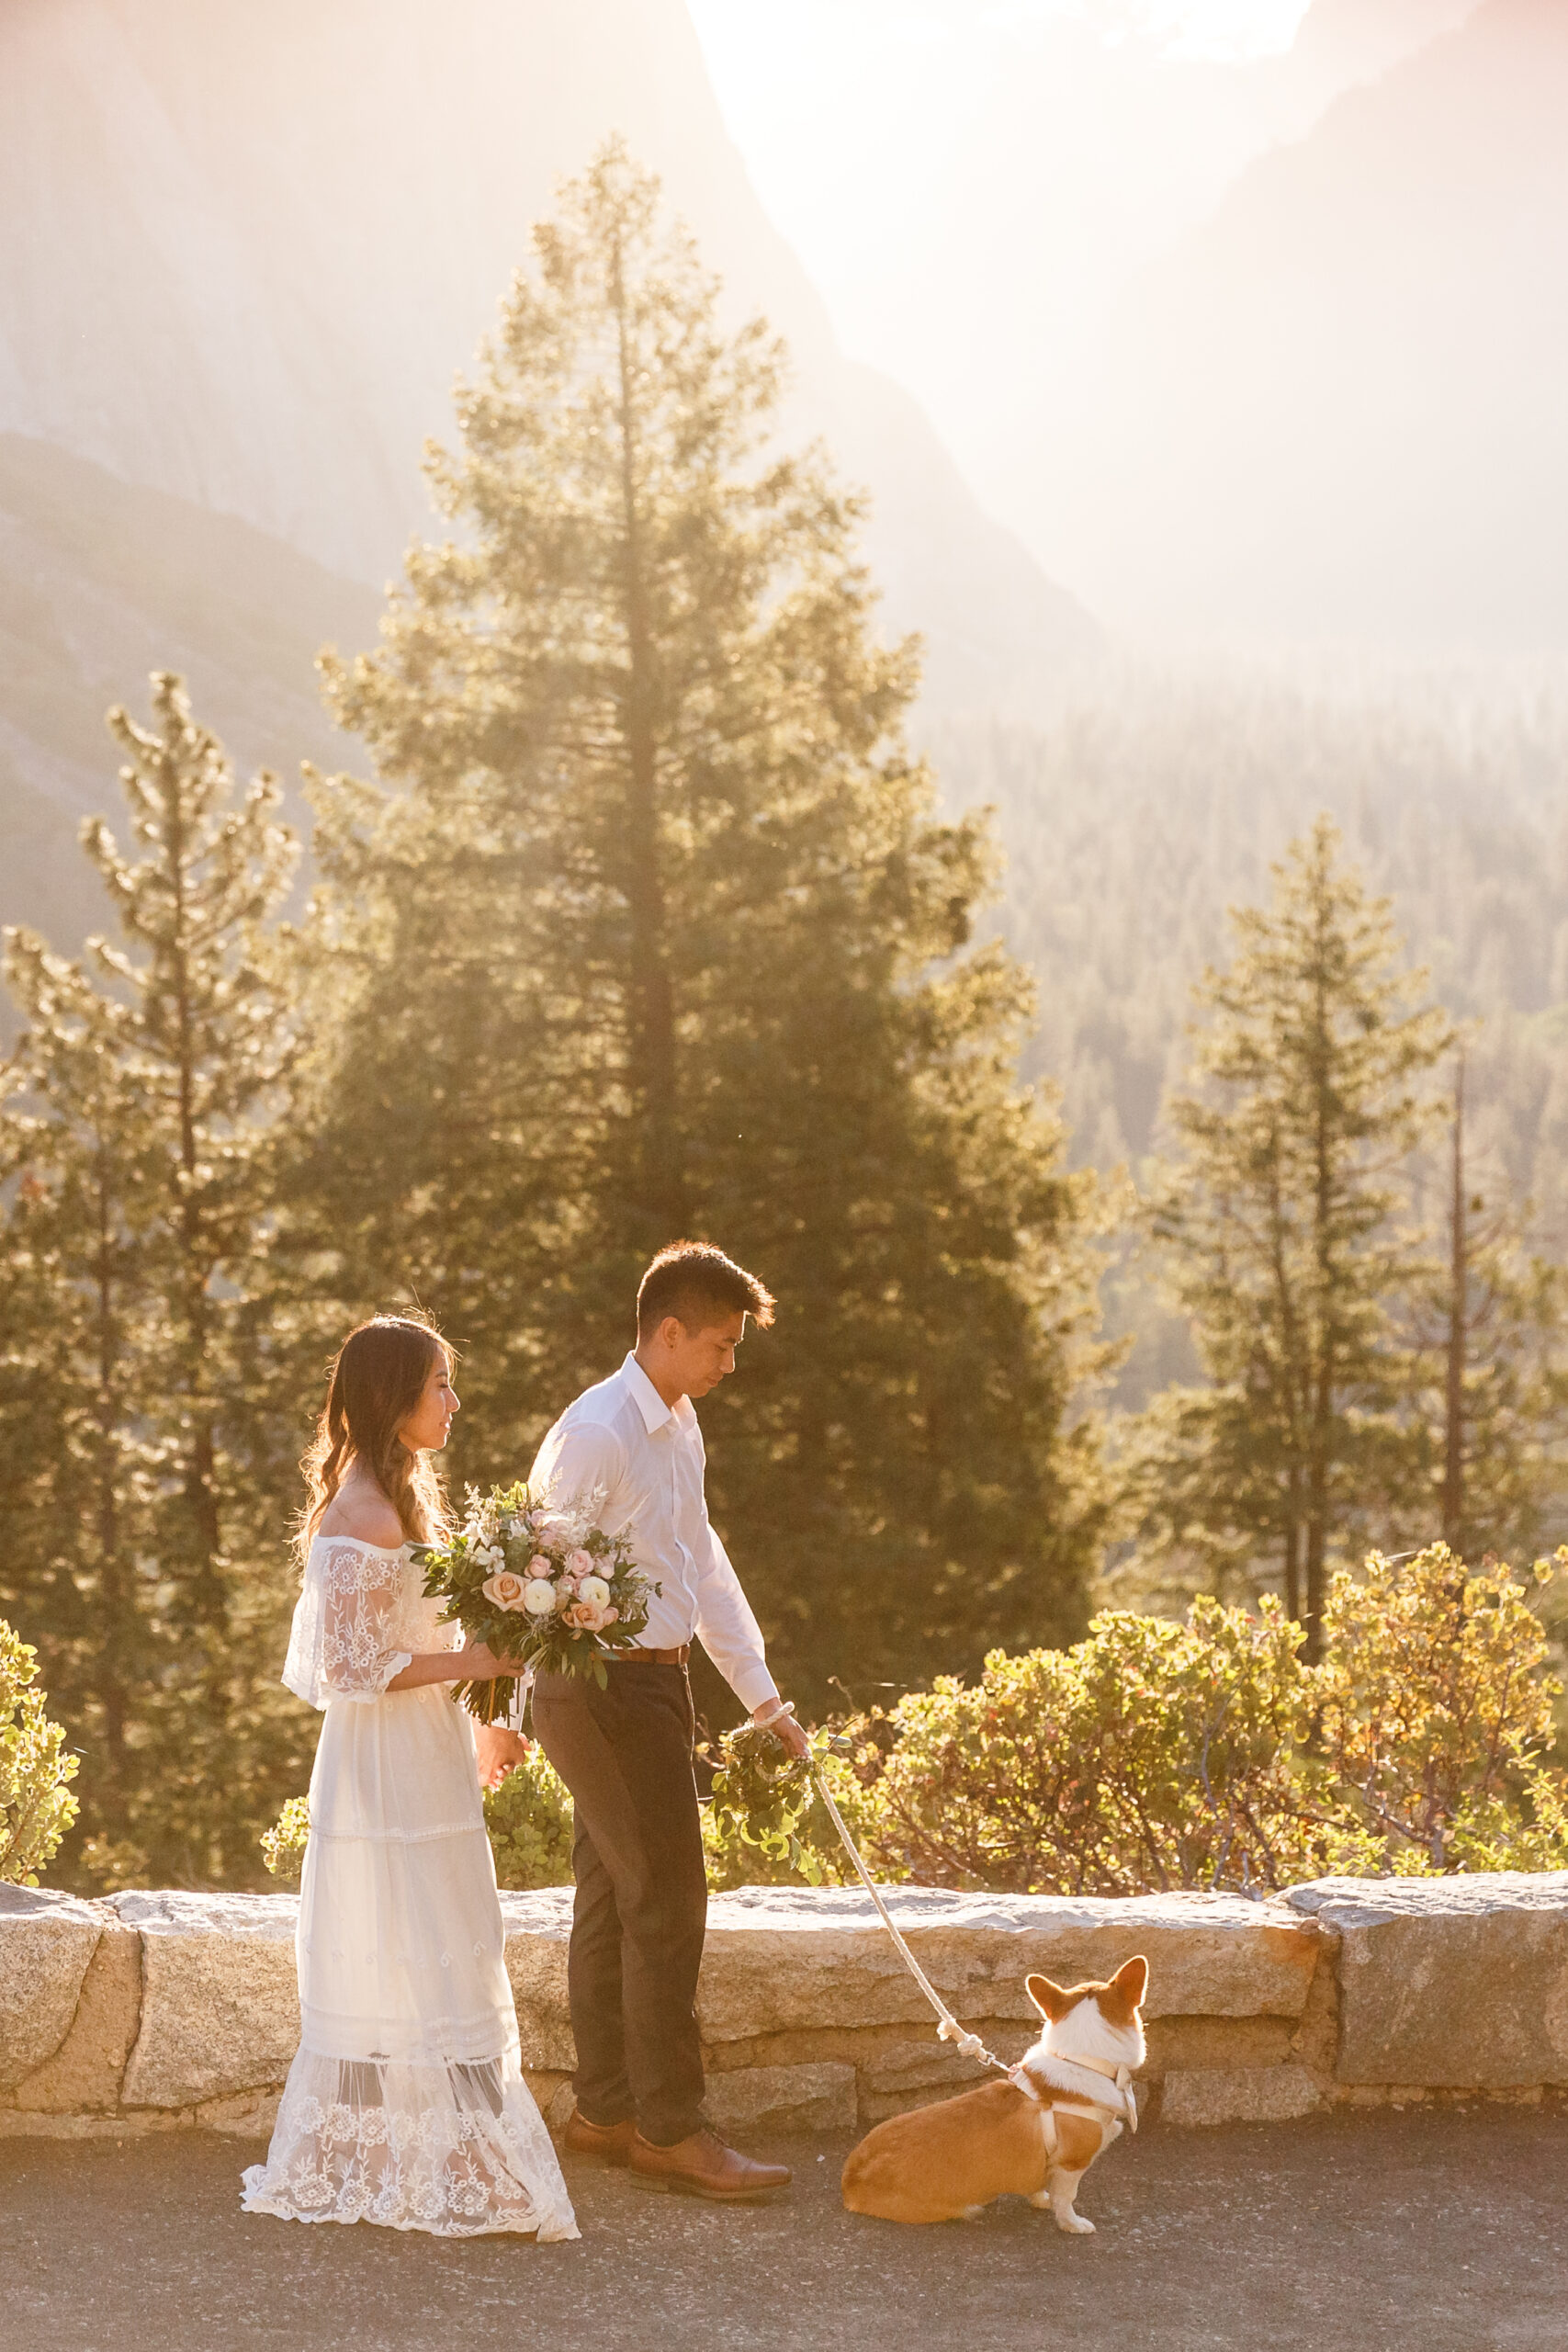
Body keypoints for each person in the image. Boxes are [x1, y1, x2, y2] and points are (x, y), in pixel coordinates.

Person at [242, 1315, 578, 2241]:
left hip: (424, 1749)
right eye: (439, 1385)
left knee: (453, 1937)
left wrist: (485, 1716)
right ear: (394, 1397)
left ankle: (448, 2156)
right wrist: (475, 1665)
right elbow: (352, 1669)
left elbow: (421, 1638)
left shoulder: (404, 1494)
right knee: (413, 1936)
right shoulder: (357, 1511)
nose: (454, 1402)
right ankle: (403, 2163)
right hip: (382, 1766)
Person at [491, 1240, 811, 2201]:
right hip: (596, 1690)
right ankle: (672, 2128)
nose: (729, 1363)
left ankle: (607, 2111)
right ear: (666, 1333)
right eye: (719, 1343)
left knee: (612, 1892)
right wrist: (506, 1713)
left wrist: (761, 1696)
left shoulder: (678, 1425)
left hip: (656, 1686)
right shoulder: (597, 1432)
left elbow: (700, 1562)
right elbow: (528, 1577)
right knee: (670, 1899)